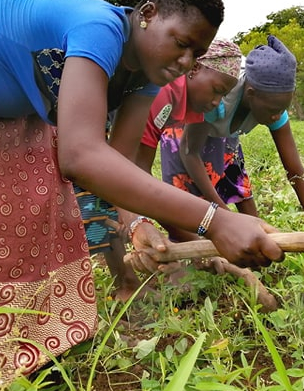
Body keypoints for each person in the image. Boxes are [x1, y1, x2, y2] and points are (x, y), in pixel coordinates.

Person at [0, 0, 282, 384]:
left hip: (9, 96)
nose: (184, 63)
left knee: (41, 203)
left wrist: (137, 222)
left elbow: (116, 164)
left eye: (195, 55)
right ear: (148, 12)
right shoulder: (99, 28)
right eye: (180, 43)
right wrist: (215, 220)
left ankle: (45, 340)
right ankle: (16, 380)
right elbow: (80, 155)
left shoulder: (146, 75)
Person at [128, 35, 304, 277]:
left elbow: (295, 170)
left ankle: (253, 254)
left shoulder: (272, 105)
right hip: (185, 134)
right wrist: (221, 214)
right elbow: (189, 152)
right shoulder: (214, 100)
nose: (278, 116)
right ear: (251, 93)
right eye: (274, 111)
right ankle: (197, 262)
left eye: (282, 109)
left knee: (236, 182)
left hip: (225, 133)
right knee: (189, 202)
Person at [80, 39, 242, 301]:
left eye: (223, 95)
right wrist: (135, 221)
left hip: (104, 138)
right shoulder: (162, 94)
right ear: (193, 70)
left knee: (120, 202)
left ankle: (130, 282)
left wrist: (194, 245)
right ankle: (127, 286)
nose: (217, 102)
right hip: (85, 126)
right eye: (216, 90)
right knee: (100, 198)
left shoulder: (171, 100)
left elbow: (140, 172)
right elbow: (119, 173)